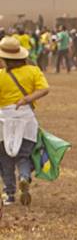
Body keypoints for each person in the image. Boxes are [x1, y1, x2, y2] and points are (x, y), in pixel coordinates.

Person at [0, 36, 49, 206]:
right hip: (27, 120)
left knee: (4, 158)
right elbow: (44, 89)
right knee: (24, 156)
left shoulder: (1, 76)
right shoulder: (33, 71)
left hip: (4, 121)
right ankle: (24, 177)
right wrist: (27, 99)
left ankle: (10, 194)